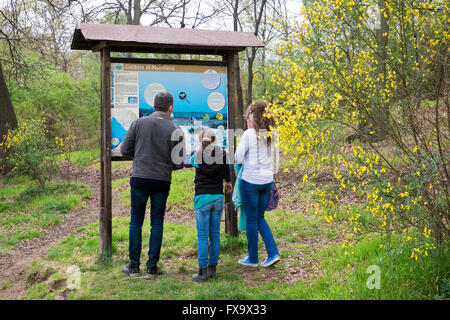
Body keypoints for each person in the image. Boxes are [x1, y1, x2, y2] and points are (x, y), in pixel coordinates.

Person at [120, 91, 185, 277]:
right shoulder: (176, 129)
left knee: (135, 221)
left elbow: (125, 150)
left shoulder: (138, 123)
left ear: (154, 106)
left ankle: (133, 267)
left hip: (139, 178)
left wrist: (139, 158)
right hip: (162, 180)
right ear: (170, 107)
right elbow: (178, 163)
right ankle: (151, 267)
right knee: (157, 222)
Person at [235, 100, 280, 268]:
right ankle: (273, 253)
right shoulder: (272, 133)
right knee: (260, 218)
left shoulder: (249, 134)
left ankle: (253, 258)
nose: (247, 118)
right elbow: (275, 162)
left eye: (248, 116)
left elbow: (238, 158)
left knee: (252, 219)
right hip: (267, 181)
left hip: (250, 182)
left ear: (253, 116)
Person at [190, 128, 232, 282]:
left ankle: (202, 272)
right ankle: (213, 269)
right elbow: (227, 175)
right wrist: (228, 183)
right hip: (218, 198)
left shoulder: (197, 156)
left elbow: (191, 162)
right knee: (215, 234)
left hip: (202, 199)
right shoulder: (223, 154)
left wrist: (200, 148)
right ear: (215, 140)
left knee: (202, 235)